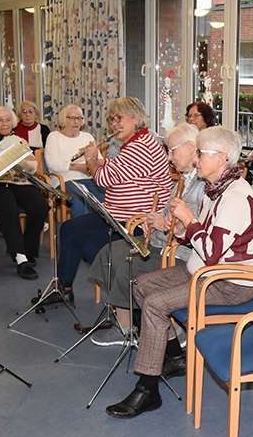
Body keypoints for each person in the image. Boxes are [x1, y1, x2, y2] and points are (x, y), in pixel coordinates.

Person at [106, 126, 253, 419]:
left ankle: (148, 389)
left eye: (201, 154)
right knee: (141, 285)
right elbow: (203, 240)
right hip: (204, 269)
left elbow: (215, 252)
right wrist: (183, 230)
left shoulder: (236, 197)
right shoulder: (215, 188)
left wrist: (189, 221)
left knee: (155, 302)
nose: (195, 160)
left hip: (230, 282)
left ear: (220, 159)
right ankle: (176, 358)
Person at [86, 123, 205, 346]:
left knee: (127, 266)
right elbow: (169, 210)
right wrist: (155, 219)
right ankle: (126, 325)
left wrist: (165, 224)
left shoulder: (202, 184)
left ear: (191, 147)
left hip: (179, 251)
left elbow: (197, 226)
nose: (169, 158)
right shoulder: (184, 177)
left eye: (172, 150)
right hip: (163, 240)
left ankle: (168, 329)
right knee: (109, 253)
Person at [56, 96, 172, 303]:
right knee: (70, 230)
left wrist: (90, 158)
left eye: (119, 118)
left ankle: (130, 299)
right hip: (117, 215)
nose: (114, 124)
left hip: (135, 222)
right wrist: (98, 160)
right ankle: (64, 290)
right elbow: (115, 167)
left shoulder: (142, 146)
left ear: (137, 118)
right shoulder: (135, 142)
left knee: (89, 247)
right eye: (111, 119)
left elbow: (102, 178)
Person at [0, 106, 50, 280]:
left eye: (8, 120)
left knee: (40, 206)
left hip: (19, 181)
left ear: (13, 122)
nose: (4, 124)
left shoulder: (19, 140)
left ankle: (28, 249)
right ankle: (20, 258)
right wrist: (18, 159)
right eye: (0, 120)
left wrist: (12, 160)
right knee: (8, 206)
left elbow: (32, 168)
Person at [43, 104, 106, 218]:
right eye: (72, 118)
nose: (76, 121)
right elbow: (52, 164)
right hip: (64, 181)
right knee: (81, 199)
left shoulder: (88, 137)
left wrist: (92, 160)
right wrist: (77, 167)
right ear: (63, 119)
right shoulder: (54, 136)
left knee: (107, 196)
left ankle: (105, 231)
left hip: (88, 179)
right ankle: (84, 232)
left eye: (79, 118)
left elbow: (100, 160)